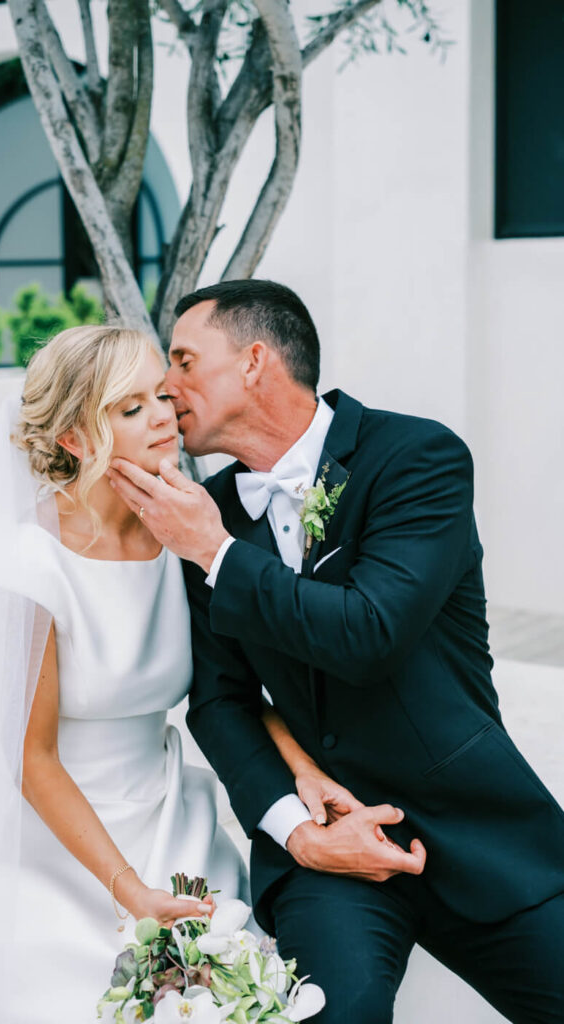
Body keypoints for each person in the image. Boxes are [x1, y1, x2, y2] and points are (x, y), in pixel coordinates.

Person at [108, 280, 564, 1024]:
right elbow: (220, 701)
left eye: (185, 361)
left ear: (254, 361)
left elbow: (371, 632)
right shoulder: (208, 513)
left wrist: (217, 554)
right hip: (325, 857)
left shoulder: (417, 457)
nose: (167, 385)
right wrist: (297, 829)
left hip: (474, 830)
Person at [0, 325, 248, 1024]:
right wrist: (129, 890)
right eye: (130, 408)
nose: (164, 416)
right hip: (55, 844)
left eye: (161, 396)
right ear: (76, 438)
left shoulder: (184, 530)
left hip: (172, 818)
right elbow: (31, 757)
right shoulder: (29, 561)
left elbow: (237, 688)